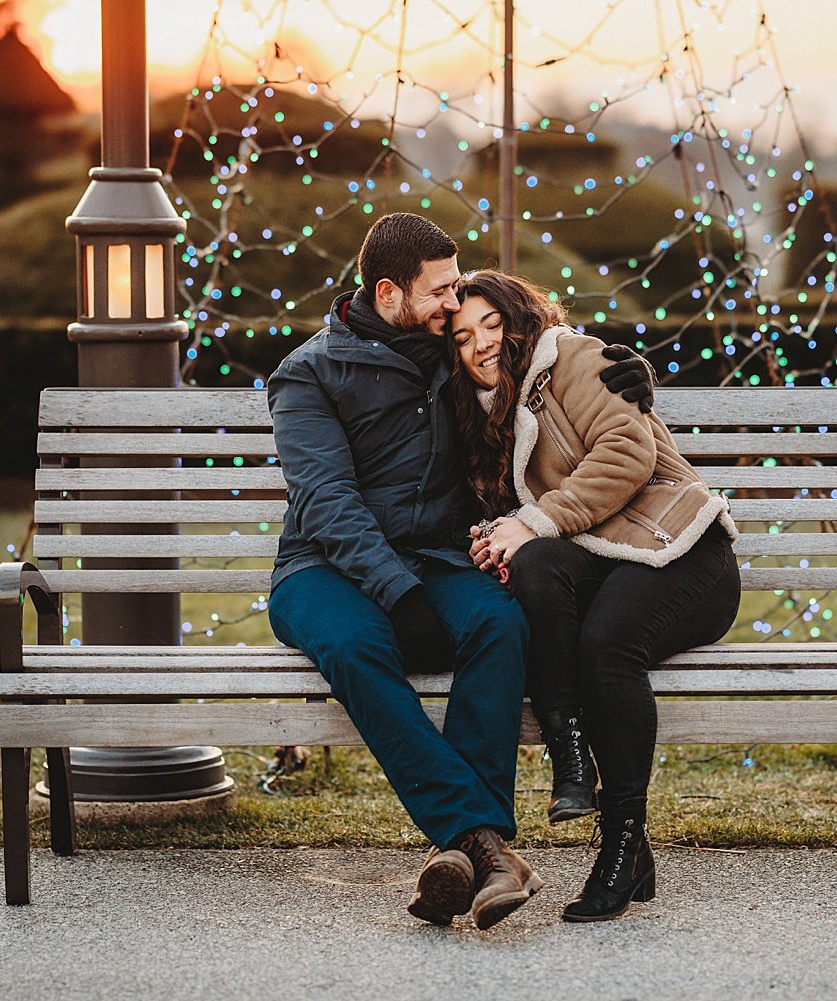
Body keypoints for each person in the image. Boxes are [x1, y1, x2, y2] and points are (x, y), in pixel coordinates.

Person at [265, 214, 655, 929]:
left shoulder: (449, 350)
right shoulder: (308, 373)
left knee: (500, 622)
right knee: (357, 646)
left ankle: (462, 856)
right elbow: (326, 501)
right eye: (439, 289)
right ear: (388, 292)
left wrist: (621, 368)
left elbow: (541, 353)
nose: (454, 303)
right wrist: (395, 590)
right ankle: (483, 844)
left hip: (436, 560)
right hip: (322, 568)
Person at [448, 269, 742, 923]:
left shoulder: (572, 358)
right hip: (606, 561)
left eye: (492, 324)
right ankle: (568, 749)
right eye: (463, 335)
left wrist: (534, 521)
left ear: (520, 317)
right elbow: (522, 524)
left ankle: (623, 844)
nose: (481, 344)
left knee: (607, 642)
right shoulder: (484, 417)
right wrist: (494, 533)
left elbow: (627, 452)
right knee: (536, 566)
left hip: (684, 550)